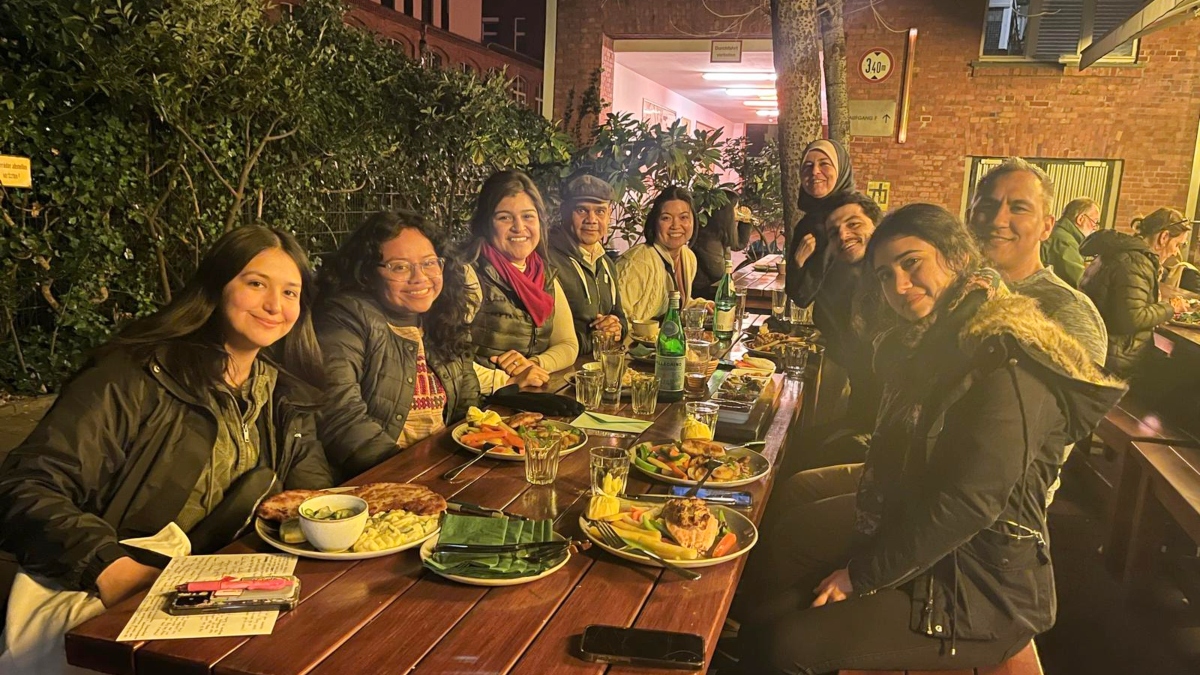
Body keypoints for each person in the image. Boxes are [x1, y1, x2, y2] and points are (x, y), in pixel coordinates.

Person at [736, 204, 1125, 674]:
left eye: (912, 263)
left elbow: (970, 503)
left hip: (980, 589)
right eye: (884, 275)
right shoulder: (936, 341)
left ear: (957, 257)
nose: (899, 286)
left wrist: (861, 575)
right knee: (765, 610)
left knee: (786, 647)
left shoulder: (1007, 355)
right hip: (922, 537)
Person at [0, 226, 333, 674]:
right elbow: (25, 485)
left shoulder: (284, 393)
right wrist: (112, 568)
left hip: (226, 590)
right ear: (216, 286)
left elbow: (310, 495)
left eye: (290, 292)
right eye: (256, 284)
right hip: (117, 587)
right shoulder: (134, 376)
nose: (276, 305)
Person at [315, 210, 480, 481]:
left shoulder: (444, 316)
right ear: (368, 272)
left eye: (429, 263)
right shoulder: (345, 318)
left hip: (445, 473)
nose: (420, 277)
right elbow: (340, 417)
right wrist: (408, 474)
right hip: (379, 481)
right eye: (400, 267)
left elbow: (467, 404)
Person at [968, 158, 1107, 366]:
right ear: (969, 216)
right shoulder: (949, 288)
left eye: (1019, 208)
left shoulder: (1067, 309)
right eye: (987, 206)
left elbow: (1083, 396)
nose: (997, 220)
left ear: (1046, 227)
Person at [460, 170, 578, 394]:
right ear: (486, 223)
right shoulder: (468, 273)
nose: (519, 227)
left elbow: (568, 345)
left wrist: (533, 365)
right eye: (504, 217)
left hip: (526, 397)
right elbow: (447, 360)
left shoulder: (544, 274)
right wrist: (506, 379)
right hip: (478, 406)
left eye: (528, 216)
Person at [1080, 207, 1192, 377]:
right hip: (1114, 360)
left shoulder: (1123, 252)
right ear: (1164, 237)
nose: (1176, 252)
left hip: (1099, 347)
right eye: (1177, 245)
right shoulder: (1136, 262)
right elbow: (1132, 318)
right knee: (1184, 375)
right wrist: (1170, 307)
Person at [545, 175, 627, 355]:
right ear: (564, 211)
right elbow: (545, 337)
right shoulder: (547, 262)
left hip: (599, 366)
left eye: (599, 211)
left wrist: (617, 329)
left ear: (609, 214)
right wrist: (597, 339)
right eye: (582, 210)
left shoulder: (605, 261)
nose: (592, 219)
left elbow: (620, 316)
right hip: (563, 372)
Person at [785, 139, 856, 310]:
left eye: (824, 164)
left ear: (841, 170)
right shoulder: (808, 223)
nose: (815, 171)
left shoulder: (857, 216)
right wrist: (797, 261)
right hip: (822, 327)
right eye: (807, 166)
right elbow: (799, 296)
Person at [617, 186, 699, 322]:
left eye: (684, 217)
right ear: (654, 222)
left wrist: (701, 305)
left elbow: (673, 304)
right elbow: (618, 319)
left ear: (693, 221)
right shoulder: (637, 263)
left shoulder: (688, 257)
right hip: (633, 342)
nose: (676, 225)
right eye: (666, 218)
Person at [692, 190, 752, 300]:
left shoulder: (719, 232)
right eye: (735, 209)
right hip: (703, 296)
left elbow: (738, 244)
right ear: (726, 213)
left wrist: (745, 221)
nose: (737, 212)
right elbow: (720, 274)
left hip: (713, 291)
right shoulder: (708, 239)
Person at [1042, 197, 1100, 288]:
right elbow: (1080, 283)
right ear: (1080, 219)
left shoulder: (1058, 233)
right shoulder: (1066, 242)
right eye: (1094, 222)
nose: (1095, 228)